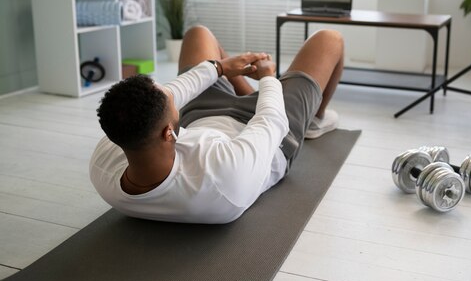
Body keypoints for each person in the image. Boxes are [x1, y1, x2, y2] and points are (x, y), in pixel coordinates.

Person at [90, 26, 344, 224]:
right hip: (270, 137)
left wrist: (219, 67)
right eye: (172, 103)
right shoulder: (222, 177)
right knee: (330, 39)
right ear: (168, 132)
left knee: (198, 34)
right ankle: (316, 119)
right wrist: (267, 77)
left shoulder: (105, 161)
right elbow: (272, 121)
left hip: (203, 118)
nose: (173, 96)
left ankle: (244, 92)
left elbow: (169, 96)